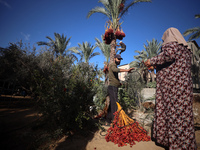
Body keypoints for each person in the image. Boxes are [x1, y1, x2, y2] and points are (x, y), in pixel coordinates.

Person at [144, 27, 197, 149]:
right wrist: (157, 66)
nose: (164, 41)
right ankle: (185, 143)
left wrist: (151, 61)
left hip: (173, 89)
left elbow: (168, 55)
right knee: (183, 116)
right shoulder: (186, 50)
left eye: (164, 38)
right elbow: (173, 64)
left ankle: (176, 144)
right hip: (183, 89)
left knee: (174, 115)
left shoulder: (172, 45)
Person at [106, 54, 134, 125]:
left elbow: (114, 75)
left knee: (112, 103)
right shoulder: (113, 65)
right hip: (112, 87)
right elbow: (115, 70)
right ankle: (114, 121)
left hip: (113, 86)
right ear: (115, 58)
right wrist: (127, 70)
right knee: (115, 104)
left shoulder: (114, 65)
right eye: (118, 59)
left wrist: (119, 83)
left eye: (120, 60)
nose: (119, 61)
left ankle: (108, 120)